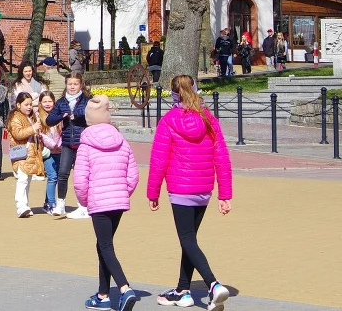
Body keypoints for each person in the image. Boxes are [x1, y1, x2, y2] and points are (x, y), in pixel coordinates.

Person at [147, 74, 234, 310]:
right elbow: (222, 157)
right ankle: (183, 290)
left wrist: (152, 192)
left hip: (180, 188)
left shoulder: (168, 120)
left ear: (174, 95)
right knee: (190, 240)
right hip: (203, 188)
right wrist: (224, 194)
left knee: (187, 239)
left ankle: (213, 284)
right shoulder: (208, 119)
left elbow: (158, 160)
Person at [73, 94, 140, 311]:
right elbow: (133, 175)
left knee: (105, 245)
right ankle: (102, 294)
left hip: (99, 201)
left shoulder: (85, 144)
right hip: (118, 200)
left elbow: (80, 180)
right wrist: (123, 193)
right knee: (104, 244)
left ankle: (124, 287)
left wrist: (85, 201)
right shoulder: (122, 140)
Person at [46, 72, 91, 218]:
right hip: (67, 143)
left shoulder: (87, 100)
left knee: (81, 177)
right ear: (66, 85)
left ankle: (84, 206)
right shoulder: (61, 102)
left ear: (81, 85)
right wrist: (61, 116)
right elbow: (49, 119)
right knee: (63, 173)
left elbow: (91, 114)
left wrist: (76, 116)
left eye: (75, 84)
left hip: (83, 143)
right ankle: (61, 204)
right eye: (70, 84)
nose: (72, 87)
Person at [6, 91, 46, 217]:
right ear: (18, 105)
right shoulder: (15, 118)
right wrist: (33, 128)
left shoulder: (31, 117)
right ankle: (20, 206)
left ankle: (25, 205)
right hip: (21, 153)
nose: (29, 107)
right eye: (26, 104)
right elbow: (18, 134)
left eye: (30, 104)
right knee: (22, 179)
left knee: (27, 179)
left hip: (31, 154)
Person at [37, 91, 63, 213]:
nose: (47, 104)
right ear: (40, 103)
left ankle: (47, 201)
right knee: (52, 177)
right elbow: (41, 135)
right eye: (45, 101)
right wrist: (53, 145)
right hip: (47, 152)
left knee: (56, 177)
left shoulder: (59, 116)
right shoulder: (38, 117)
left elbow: (63, 132)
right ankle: (52, 204)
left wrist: (60, 145)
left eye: (50, 101)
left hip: (59, 150)